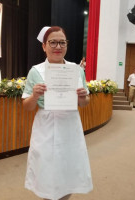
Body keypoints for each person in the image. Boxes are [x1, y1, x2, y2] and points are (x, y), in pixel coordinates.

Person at [22, 26, 93, 200]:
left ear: (67, 45)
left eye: (62, 42)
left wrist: (82, 97)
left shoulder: (76, 70)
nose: (58, 46)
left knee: (68, 170)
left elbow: (84, 103)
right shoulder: (36, 71)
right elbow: (27, 106)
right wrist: (34, 95)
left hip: (70, 124)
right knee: (46, 171)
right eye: (53, 42)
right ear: (44, 46)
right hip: (45, 124)